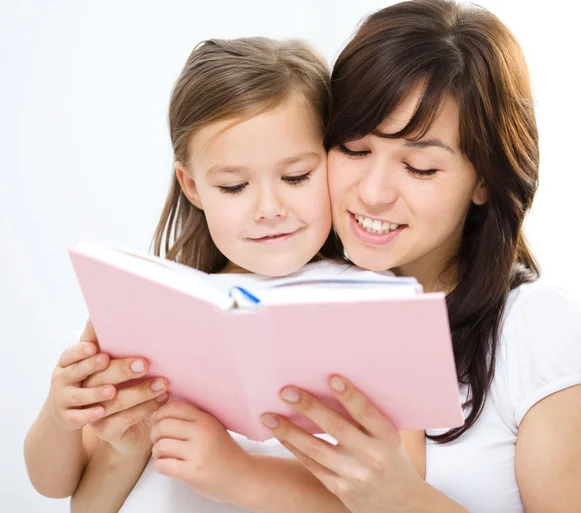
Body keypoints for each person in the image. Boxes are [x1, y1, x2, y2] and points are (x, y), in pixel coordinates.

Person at [23, 37, 425, 513]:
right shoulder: (156, 305)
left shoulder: (380, 307)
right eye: (234, 186)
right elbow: (57, 487)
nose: (270, 209)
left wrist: (232, 470)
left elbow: (400, 490)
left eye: (296, 177)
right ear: (192, 186)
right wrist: (60, 411)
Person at [258, 1, 581, 512]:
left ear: (483, 180)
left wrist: (400, 499)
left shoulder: (535, 332)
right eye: (353, 149)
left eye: (418, 167)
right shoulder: (284, 296)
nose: (373, 193)